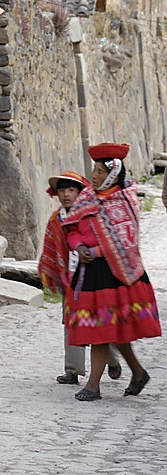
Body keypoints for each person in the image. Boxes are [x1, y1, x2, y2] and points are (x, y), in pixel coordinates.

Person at [61, 143, 162, 401]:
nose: (93, 176)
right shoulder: (87, 198)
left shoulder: (125, 200)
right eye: (93, 171)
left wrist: (92, 252)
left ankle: (93, 386)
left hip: (118, 274)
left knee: (104, 330)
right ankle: (138, 373)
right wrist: (79, 246)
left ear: (112, 174)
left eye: (98, 172)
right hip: (91, 274)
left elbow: (125, 241)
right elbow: (70, 228)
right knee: (110, 330)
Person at [38, 171, 121, 385]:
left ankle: (111, 360)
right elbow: (52, 248)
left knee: (99, 320)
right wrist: (58, 274)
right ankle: (72, 370)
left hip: (95, 277)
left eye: (71, 190)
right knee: (71, 322)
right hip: (71, 280)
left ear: (80, 192)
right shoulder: (57, 220)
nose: (66, 195)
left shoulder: (91, 215)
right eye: (62, 191)